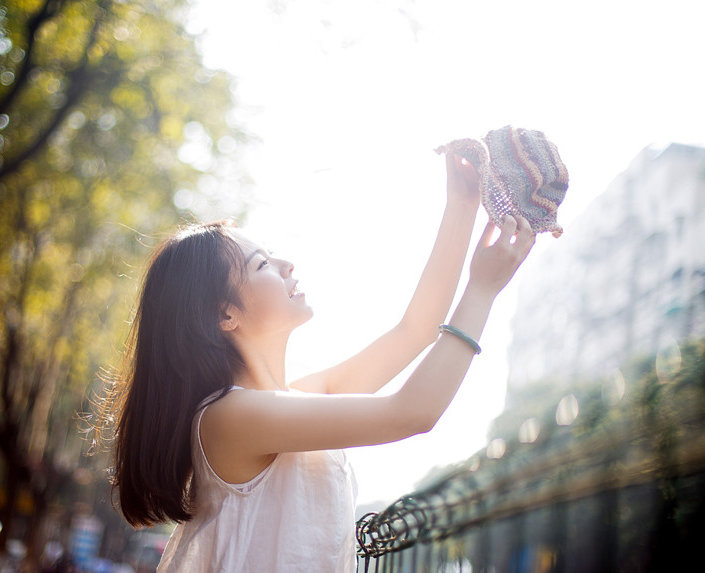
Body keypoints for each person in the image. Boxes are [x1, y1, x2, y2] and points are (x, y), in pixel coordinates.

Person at [106, 153, 536, 572]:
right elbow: (413, 413)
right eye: (262, 264)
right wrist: (481, 290)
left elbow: (416, 331)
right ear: (225, 314)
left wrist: (462, 205)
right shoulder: (230, 416)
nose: (285, 264)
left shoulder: (290, 403)